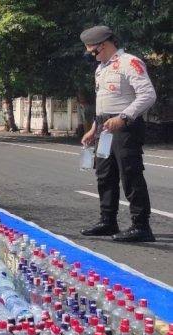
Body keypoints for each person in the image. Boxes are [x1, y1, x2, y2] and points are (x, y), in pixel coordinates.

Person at [79, 25, 157, 243]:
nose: (91, 56)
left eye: (92, 51)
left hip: (125, 126)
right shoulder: (101, 68)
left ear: (103, 45)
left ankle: (141, 226)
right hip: (105, 126)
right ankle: (108, 220)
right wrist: (94, 128)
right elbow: (102, 102)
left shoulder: (129, 63)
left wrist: (123, 117)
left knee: (130, 174)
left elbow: (148, 95)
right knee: (104, 175)